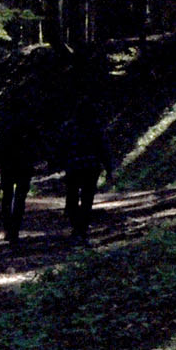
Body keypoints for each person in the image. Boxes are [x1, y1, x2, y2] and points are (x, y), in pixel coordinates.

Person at [53, 102, 113, 245]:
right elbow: (104, 148)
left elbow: (60, 147)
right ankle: (83, 230)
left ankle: (76, 229)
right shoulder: (96, 127)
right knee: (87, 199)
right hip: (91, 167)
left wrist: (59, 164)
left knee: (72, 197)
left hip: (74, 167)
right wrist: (109, 168)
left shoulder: (68, 127)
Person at [0, 101, 38, 251]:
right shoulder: (28, 125)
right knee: (20, 198)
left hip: (8, 166)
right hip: (23, 166)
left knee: (7, 196)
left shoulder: (5, 125)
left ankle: (8, 228)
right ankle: (14, 230)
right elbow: (35, 145)